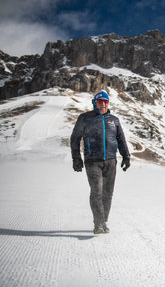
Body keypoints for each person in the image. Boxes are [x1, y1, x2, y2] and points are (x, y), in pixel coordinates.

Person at [70, 90, 131, 234]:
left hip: (110, 161)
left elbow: (121, 139)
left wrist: (126, 156)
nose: (103, 104)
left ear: (108, 103)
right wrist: (76, 158)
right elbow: (75, 138)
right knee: (96, 191)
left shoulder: (114, 120)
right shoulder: (85, 118)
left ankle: (103, 221)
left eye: (105, 101)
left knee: (107, 193)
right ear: (94, 103)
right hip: (92, 161)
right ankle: (98, 223)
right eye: (100, 101)